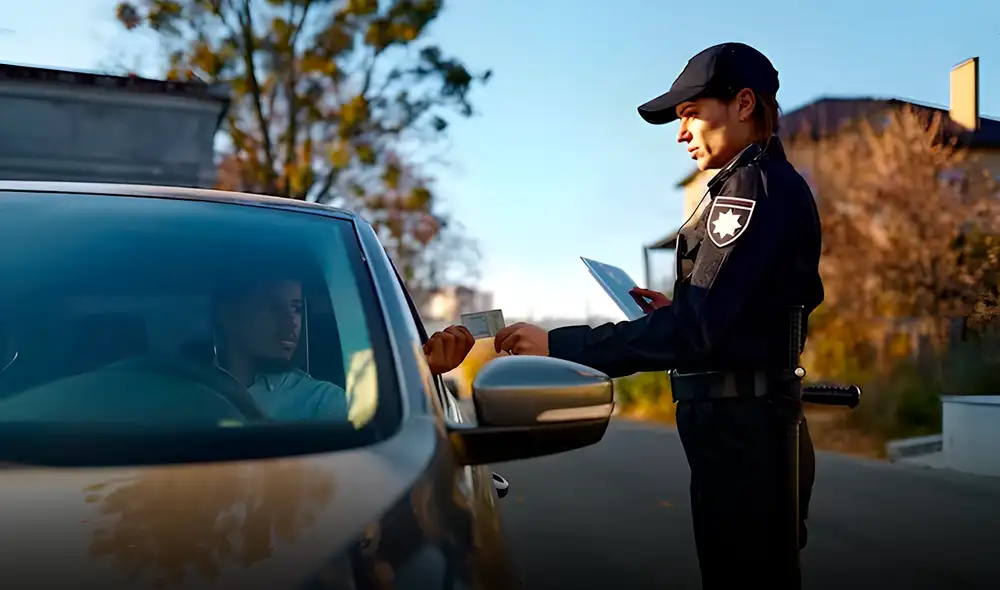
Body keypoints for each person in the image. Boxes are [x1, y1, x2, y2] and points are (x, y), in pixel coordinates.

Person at [493, 42, 821, 589]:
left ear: (744, 104)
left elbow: (695, 334)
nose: (680, 132)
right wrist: (692, 312)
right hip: (746, 427)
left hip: (745, 434)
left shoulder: (748, 190)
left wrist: (560, 347)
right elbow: (747, 312)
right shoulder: (757, 183)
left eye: (691, 113)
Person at [213, 277, 475, 420]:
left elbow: (378, 414)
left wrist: (421, 373)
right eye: (272, 307)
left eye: (296, 308)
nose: (290, 321)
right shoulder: (181, 390)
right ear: (228, 315)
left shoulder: (319, 401)